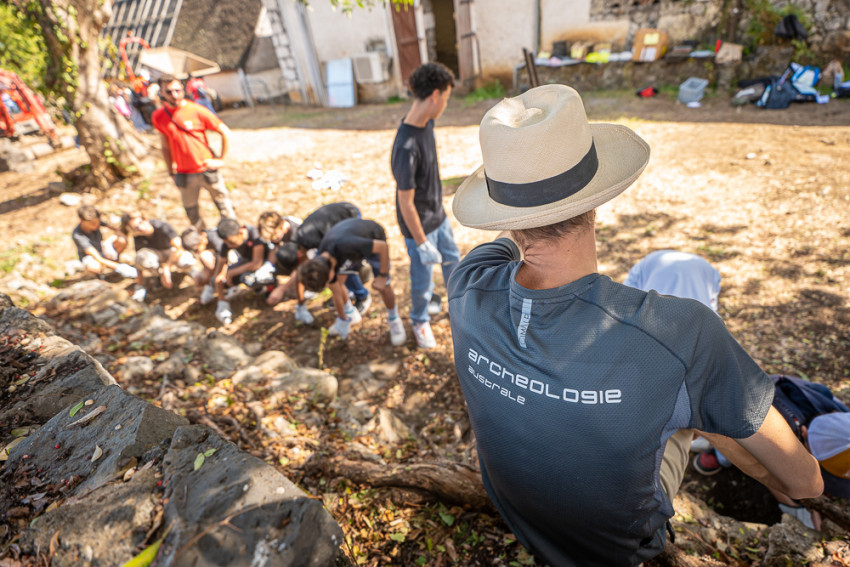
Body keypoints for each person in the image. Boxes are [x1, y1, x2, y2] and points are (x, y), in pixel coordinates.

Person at [446, 84, 823, 566]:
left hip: (521, 515)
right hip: (618, 550)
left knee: (685, 389)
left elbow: (507, 246)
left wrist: (524, 179)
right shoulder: (681, 333)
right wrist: (790, 485)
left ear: (506, 213)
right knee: (690, 399)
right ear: (595, 197)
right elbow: (804, 480)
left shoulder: (467, 283)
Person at [694, 376, 850, 530]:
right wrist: (792, 505)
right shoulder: (776, 430)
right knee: (737, 445)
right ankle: (717, 451)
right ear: (804, 433)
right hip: (742, 412)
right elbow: (765, 467)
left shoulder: (836, 411)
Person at [390, 62, 461, 349]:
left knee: (453, 264)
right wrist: (421, 242)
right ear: (434, 95)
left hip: (438, 218)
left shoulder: (427, 124)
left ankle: (459, 311)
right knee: (423, 282)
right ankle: (419, 321)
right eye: (445, 97)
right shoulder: (405, 148)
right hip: (418, 228)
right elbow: (404, 202)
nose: (445, 103)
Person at [297, 218, 406, 345]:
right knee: (339, 284)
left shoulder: (348, 245)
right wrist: (343, 319)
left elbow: (383, 247)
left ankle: (394, 321)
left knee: (384, 286)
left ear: (331, 272)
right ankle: (349, 314)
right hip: (346, 252)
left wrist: (383, 275)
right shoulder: (320, 261)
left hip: (373, 237)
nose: (329, 284)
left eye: (327, 281)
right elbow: (336, 292)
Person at [151, 74, 236, 228]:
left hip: (206, 168)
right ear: (162, 93)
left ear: (182, 89)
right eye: (169, 92)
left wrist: (221, 159)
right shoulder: (158, 116)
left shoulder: (196, 110)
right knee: (191, 211)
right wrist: (170, 170)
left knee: (224, 206)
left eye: (177, 90)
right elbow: (165, 145)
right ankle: (203, 239)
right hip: (184, 172)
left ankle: (230, 234)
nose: (174, 95)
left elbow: (225, 132)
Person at [269, 202, 370, 315]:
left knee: (343, 266)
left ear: (299, 255)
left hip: (348, 214)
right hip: (335, 221)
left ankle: (362, 295)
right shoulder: (300, 242)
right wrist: (301, 304)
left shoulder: (313, 243)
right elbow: (300, 271)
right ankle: (347, 294)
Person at [120, 212, 191, 301]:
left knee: (187, 260)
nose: (141, 228)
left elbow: (179, 248)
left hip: (171, 252)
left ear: (145, 219)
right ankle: (159, 276)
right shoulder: (138, 236)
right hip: (157, 257)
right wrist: (140, 284)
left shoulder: (161, 226)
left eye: (140, 223)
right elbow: (138, 262)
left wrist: (167, 268)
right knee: (141, 259)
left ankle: (189, 273)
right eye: (136, 228)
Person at [209, 218, 266, 325]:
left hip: (265, 263)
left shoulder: (254, 233)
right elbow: (219, 273)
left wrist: (231, 273)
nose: (230, 246)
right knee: (214, 281)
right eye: (228, 244)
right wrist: (222, 302)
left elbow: (256, 263)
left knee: (247, 278)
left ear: (240, 232)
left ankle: (266, 288)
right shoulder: (226, 243)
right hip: (246, 263)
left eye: (232, 243)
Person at [72, 205, 135, 279]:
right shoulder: (78, 235)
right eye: (92, 224)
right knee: (94, 266)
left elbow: (114, 228)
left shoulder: (94, 220)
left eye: (97, 222)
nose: (96, 225)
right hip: (91, 257)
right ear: (82, 221)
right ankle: (98, 276)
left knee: (121, 240)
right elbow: (98, 258)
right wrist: (120, 267)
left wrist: (118, 234)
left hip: (102, 249)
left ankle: (113, 263)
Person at [181, 225, 220, 305]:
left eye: (196, 249)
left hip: (230, 267)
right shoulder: (204, 244)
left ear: (202, 238)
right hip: (215, 272)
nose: (196, 253)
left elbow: (214, 266)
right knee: (199, 279)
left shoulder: (216, 239)